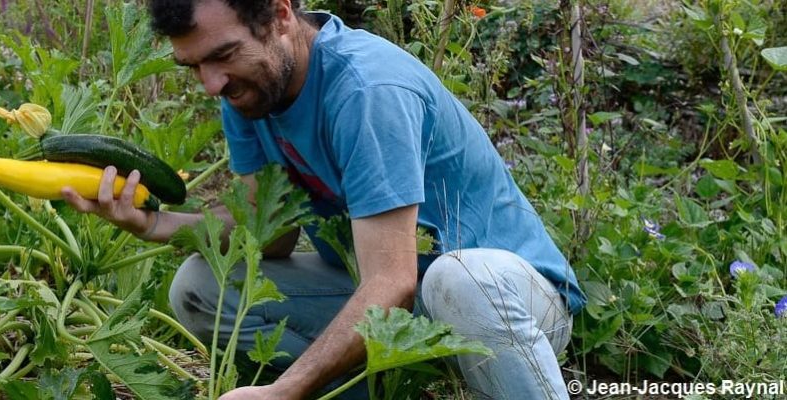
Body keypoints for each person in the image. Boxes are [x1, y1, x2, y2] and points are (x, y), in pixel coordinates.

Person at [61, 0, 587, 398]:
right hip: (396, 305)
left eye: (222, 56)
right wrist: (151, 223)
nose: (210, 84)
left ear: (280, 16)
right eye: (193, 66)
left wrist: (284, 390)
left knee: (459, 279)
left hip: (513, 304)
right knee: (200, 288)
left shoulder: (367, 90)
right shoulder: (251, 93)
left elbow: (393, 281)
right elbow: (270, 235)